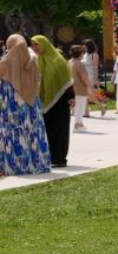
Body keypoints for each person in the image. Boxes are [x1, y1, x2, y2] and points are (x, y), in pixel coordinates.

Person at [0, 35, 51, 175]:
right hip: (31, 101)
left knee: (14, 132)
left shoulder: (6, 61)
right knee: (33, 131)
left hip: (12, 104)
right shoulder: (32, 59)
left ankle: (16, 165)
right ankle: (37, 163)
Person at [30, 36, 73, 168]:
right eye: (33, 45)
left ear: (45, 44)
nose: (34, 48)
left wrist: (71, 97)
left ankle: (60, 159)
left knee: (60, 130)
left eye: (37, 45)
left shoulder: (58, 60)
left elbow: (67, 80)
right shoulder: (38, 61)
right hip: (43, 102)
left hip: (60, 101)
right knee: (48, 130)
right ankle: (50, 157)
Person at [68, 45, 91, 131]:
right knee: (80, 107)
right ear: (80, 54)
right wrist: (89, 86)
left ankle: (80, 123)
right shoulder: (80, 64)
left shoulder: (69, 62)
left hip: (72, 87)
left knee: (77, 107)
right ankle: (77, 125)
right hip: (80, 87)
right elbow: (84, 77)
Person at [82, 39, 102, 118]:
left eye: (85, 45)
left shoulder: (94, 55)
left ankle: (101, 106)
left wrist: (95, 79)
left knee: (89, 94)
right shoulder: (85, 54)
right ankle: (86, 112)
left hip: (90, 75)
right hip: (84, 75)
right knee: (84, 94)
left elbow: (95, 68)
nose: (83, 47)